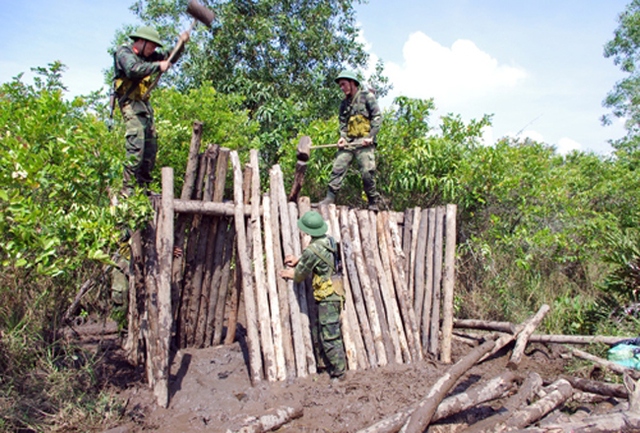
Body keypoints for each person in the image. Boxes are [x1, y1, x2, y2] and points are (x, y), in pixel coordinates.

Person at [113, 26, 189, 196]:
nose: (153, 50)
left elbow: (170, 57)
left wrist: (181, 44)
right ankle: (128, 189)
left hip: (144, 106)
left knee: (150, 146)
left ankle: (144, 187)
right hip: (130, 104)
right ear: (141, 41)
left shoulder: (148, 56)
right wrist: (157, 66)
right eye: (151, 46)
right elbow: (132, 70)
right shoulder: (124, 52)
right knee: (136, 144)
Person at [279, 211, 347, 380]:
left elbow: (301, 274)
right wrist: (299, 259)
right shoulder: (328, 240)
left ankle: (340, 373)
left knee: (330, 335)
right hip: (335, 291)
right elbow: (317, 256)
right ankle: (325, 366)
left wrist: (292, 273)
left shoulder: (312, 250)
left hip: (327, 295)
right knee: (322, 330)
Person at [319, 70, 383, 211]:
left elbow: (377, 117)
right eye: (340, 85)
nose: (342, 88)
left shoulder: (367, 97)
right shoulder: (344, 104)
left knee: (367, 171)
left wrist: (370, 136)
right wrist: (342, 138)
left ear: (352, 83)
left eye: (344, 84)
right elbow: (343, 123)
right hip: (350, 140)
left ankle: (373, 201)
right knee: (338, 166)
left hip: (364, 141)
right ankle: (330, 198)